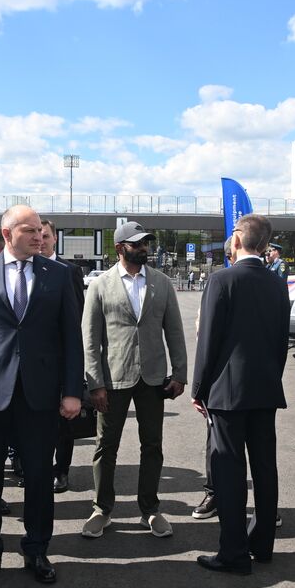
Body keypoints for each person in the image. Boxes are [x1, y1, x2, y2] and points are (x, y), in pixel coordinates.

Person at [0, 205, 83, 588]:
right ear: (7, 234)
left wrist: (72, 391)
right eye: (30, 230)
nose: (39, 236)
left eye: (41, 230)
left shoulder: (58, 275)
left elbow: (71, 340)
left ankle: (37, 550)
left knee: (39, 477)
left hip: (40, 397)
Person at [191, 213, 290, 575]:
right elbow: (281, 342)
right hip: (265, 389)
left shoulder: (221, 280)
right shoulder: (278, 283)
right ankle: (262, 545)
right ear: (264, 244)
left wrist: (199, 389)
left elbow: (208, 342)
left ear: (237, 240)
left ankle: (232, 552)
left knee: (229, 470)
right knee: (265, 467)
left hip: (228, 394)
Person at [80, 221, 188, 539]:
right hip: (112, 380)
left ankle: (150, 511)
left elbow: (175, 332)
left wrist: (180, 374)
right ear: (120, 248)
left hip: (153, 379)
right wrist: (94, 383)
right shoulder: (100, 285)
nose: (144, 248)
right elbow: (90, 338)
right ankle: (101, 510)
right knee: (105, 447)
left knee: (152, 445)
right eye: (137, 244)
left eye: (146, 244)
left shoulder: (162, 283)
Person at [40, 218, 86, 494]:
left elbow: (75, 316)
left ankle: (62, 470)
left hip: (59, 358)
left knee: (63, 421)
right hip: (33, 359)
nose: (41, 240)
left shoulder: (70, 271)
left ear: (55, 239)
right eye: (37, 235)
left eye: (45, 235)